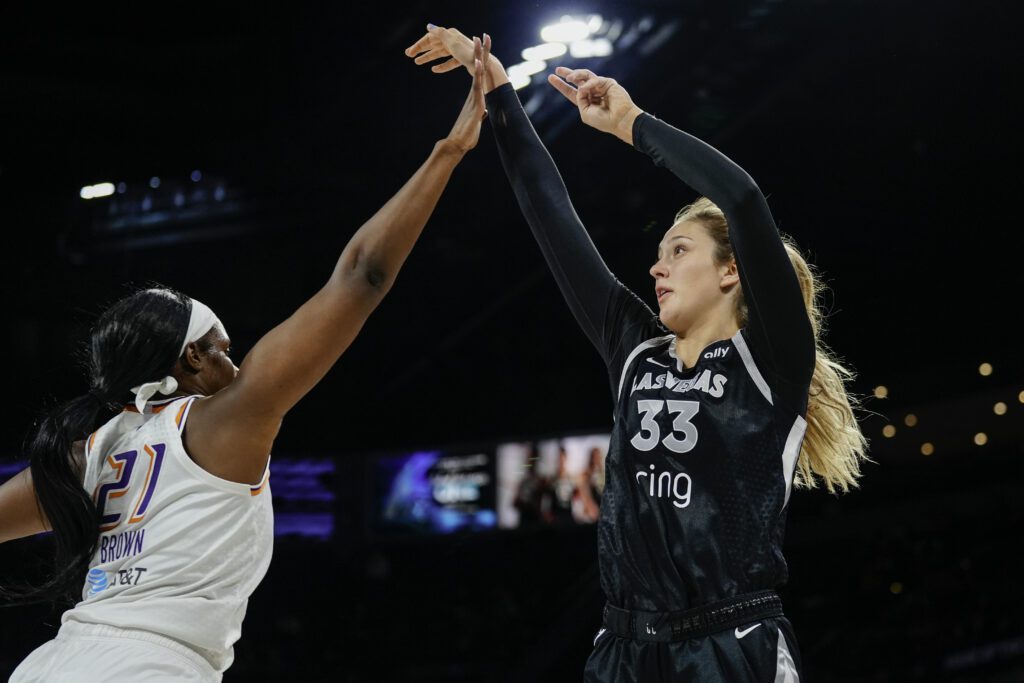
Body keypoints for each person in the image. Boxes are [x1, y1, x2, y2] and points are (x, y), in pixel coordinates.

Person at [0, 38, 492, 682]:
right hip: (146, 669)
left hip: (51, 664)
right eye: (226, 352)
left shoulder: (85, 455)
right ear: (193, 358)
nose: (238, 370)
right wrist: (449, 151)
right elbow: (362, 277)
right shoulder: (219, 421)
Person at [407, 26, 868, 681]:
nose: (657, 268)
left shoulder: (770, 362)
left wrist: (631, 124)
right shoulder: (636, 352)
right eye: (658, 255)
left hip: (729, 642)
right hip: (624, 648)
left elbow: (742, 199)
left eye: (678, 250)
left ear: (732, 269)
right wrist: (500, 90)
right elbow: (549, 213)